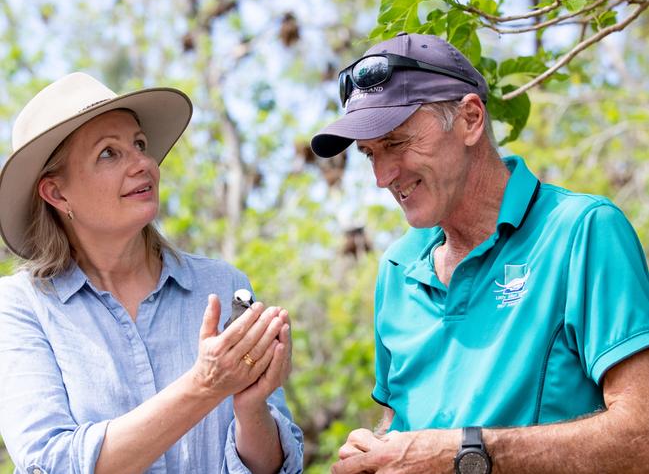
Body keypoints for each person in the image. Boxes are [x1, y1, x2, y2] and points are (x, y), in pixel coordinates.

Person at [310, 32, 649, 474]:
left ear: (470, 119)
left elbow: (640, 436)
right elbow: (402, 425)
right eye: (369, 153)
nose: (382, 176)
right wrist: (376, 452)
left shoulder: (581, 231)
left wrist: (465, 454)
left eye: (396, 142)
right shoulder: (397, 267)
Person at [0, 72, 303, 473]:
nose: (144, 164)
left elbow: (276, 467)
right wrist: (206, 385)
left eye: (139, 145)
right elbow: (51, 463)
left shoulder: (223, 286)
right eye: (109, 153)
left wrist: (250, 406)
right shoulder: (21, 307)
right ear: (57, 193)